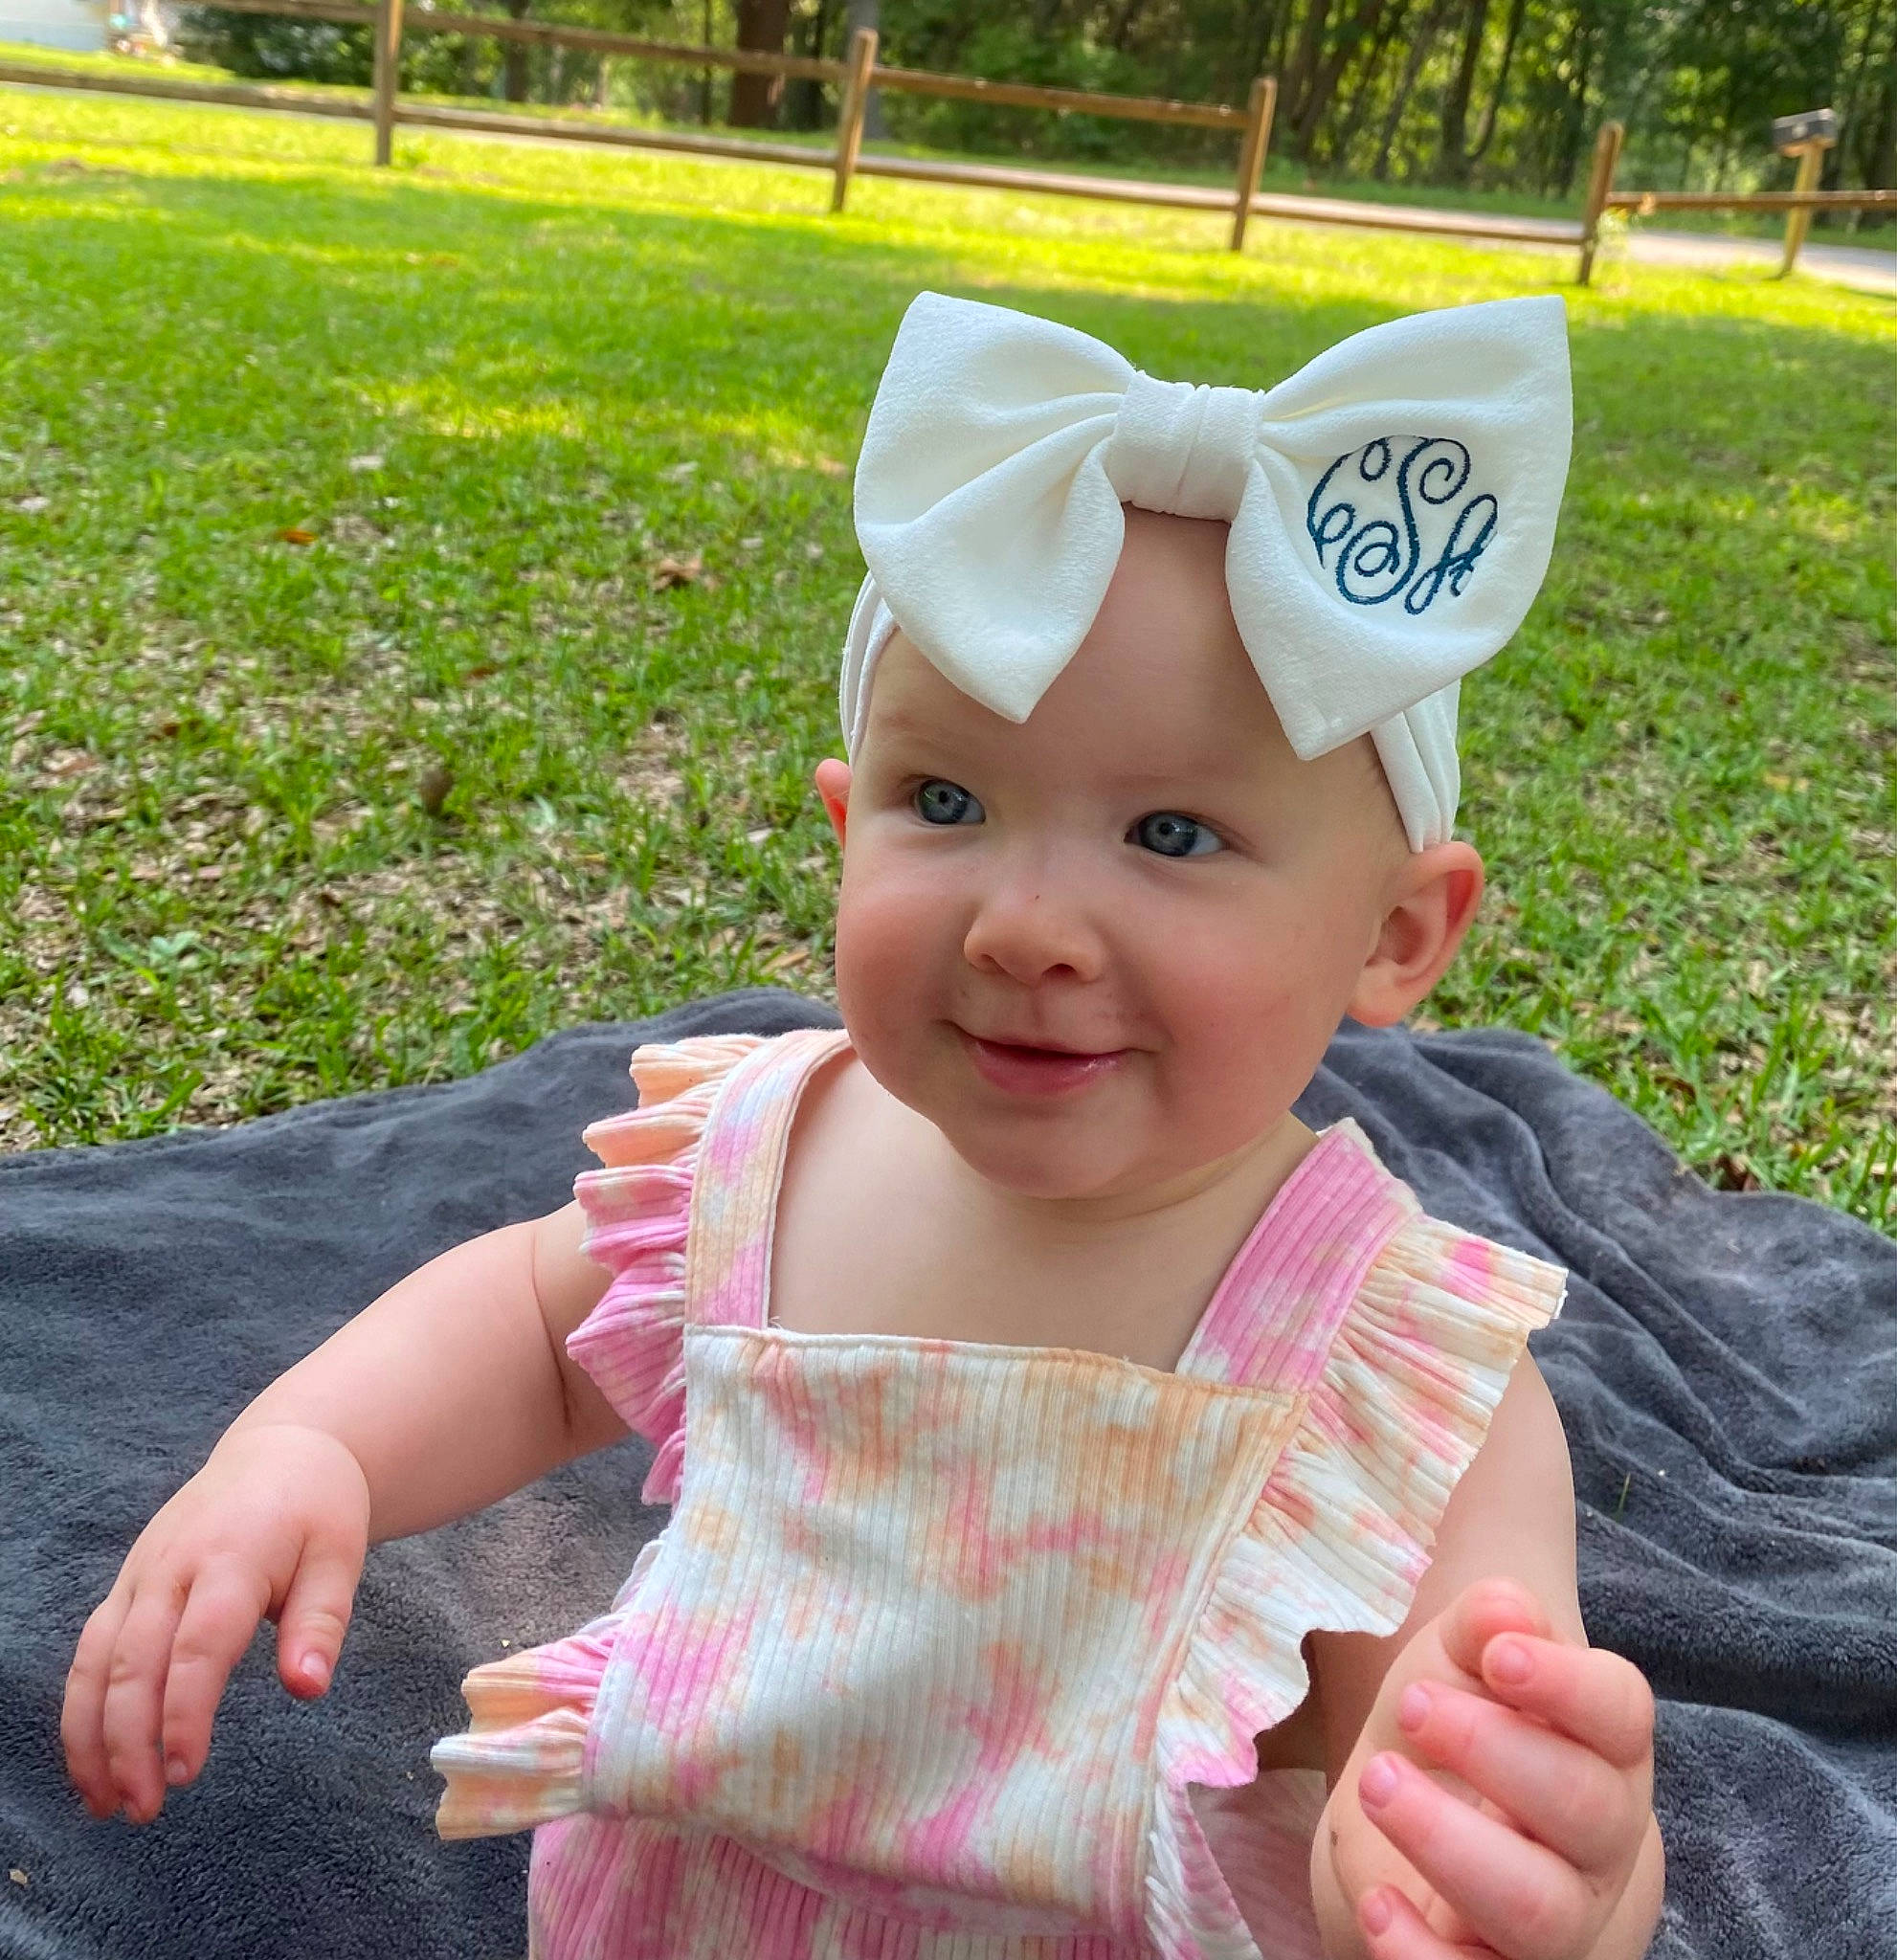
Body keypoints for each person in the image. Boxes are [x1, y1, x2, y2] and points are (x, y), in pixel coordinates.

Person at [62, 291, 1666, 1960]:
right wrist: (309, 1450)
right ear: (845, 822)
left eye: (1174, 832)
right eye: (947, 805)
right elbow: (535, 1331)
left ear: (1397, 934)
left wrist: (1506, 1875)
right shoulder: (762, 1152)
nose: (1024, 923)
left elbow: (1459, 1760)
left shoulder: (1395, 1375)